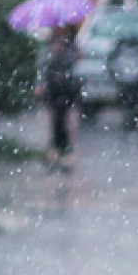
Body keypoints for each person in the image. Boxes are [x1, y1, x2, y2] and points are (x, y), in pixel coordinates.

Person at [38, 21, 83, 169]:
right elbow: (43, 64)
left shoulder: (71, 43)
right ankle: (56, 146)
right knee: (55, 116)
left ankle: (64, 147)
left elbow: (74, 62)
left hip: (67, 85)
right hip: (53, 85)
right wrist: (41, 83)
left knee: (65, 116)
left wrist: (69, 54)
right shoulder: (49, 43)